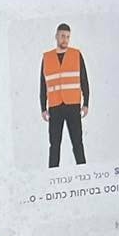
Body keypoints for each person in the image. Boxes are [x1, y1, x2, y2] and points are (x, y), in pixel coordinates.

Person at [39, 23, 90, 168]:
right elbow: (43, 84)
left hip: (73, 105)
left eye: (67, 37)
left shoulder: (76, 55)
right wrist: (43, 107)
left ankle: (83, 171)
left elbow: (84, 80)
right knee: (54, 145)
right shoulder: (47, 58)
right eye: (62, 36)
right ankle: (52, 175)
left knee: (77, 143)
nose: (65, 39)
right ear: (56, 36)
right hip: (55, 106)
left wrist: (86, 103)